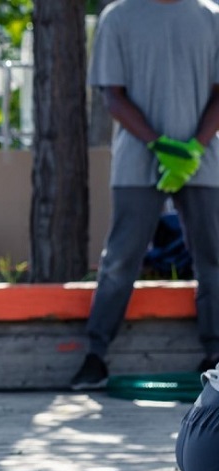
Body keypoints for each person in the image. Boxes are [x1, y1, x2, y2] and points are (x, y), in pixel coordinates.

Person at [70, 0, 219, 391]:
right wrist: (161, 146)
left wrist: (192, 151)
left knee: (213, 258)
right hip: (137, 162)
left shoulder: (211, 16)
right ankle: (95, 357)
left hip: (202, 161)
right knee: (121, 259)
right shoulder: (118, 16)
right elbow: (112, 97)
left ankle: (216, 357)